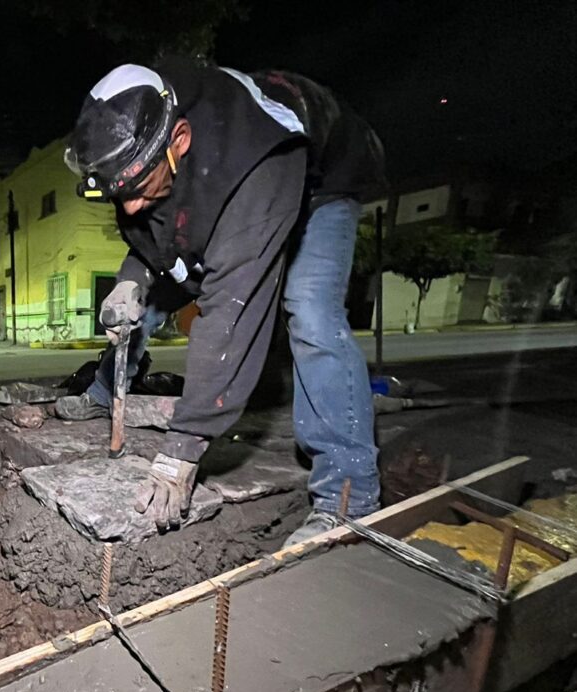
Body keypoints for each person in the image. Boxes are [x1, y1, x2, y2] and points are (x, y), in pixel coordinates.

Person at [59, 61, 386, 546]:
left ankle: (349, 500)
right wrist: (131, 280)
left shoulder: (253, 167)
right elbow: (154, 244)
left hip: (321, 180)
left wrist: (182, 450)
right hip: (215, 178)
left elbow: (230, 313)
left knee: (310, 308)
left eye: (137, 188)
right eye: (117, 193)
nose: (127, 208)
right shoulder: (139, 147)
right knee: (147, 296)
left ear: (180, 141)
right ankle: (107, 392)